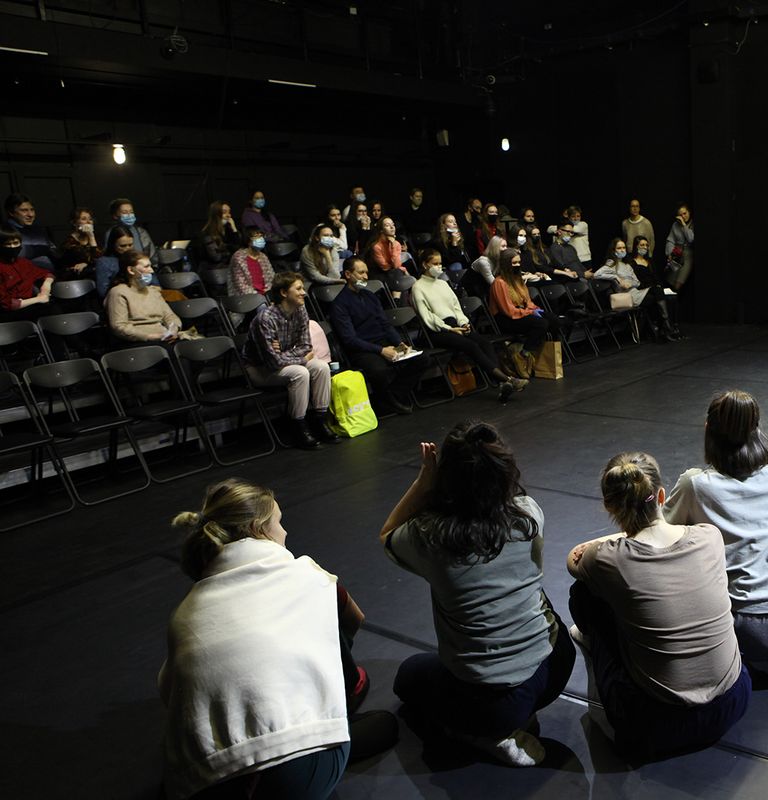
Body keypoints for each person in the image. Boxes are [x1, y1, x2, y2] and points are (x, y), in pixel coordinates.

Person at [383, 424, 575, 766]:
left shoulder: (429, 539)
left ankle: (485, 735)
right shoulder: (528, 513)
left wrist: (424, 482)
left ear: (447, 479)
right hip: (557, 665)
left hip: (494, 704)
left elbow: (387, 534)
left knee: (408, 678)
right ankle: (517, 713)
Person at [160, 480, 353, 799]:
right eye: (279, 522)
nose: (285, 532)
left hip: (201, 778)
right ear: (258, 529)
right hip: (293, 767)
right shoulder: (305, 574)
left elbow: (170, 691)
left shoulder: (184, 611)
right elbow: (354, 620)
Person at [567, 451, 751, 760]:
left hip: (657, 725)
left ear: (610, 506)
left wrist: (621, 534)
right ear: (662, 496)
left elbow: (573, 561)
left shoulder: (608, 558)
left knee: (584, 593)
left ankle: (592, 643)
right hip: (734, 700)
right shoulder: (709, 536)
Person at [664, 391, 768, 704]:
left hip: (747, 627)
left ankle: (746, 661)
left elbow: (660, 534)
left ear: (708, 430)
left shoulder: (695, 484)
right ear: (757, 431)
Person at [412, 248, 528, 399]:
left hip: (456, 325)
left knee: (485, 343)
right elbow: (427, 316)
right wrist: (449, 328)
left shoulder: (443, 284)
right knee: (471, 346)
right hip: (437, 330)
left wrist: (463, 322)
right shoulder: (418, 287)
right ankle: (506, 380)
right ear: (425, 264)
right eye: (435, 263)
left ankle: (503, 383)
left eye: (440, 263)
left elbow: (456, 307)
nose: (439, 267)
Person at [244, 271, 340, 449]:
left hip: (285, 360)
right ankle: (298, 426)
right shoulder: (265, 319)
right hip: (260, 369)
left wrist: (288, 354)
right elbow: (273, 362)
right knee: (300, 372)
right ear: (283, 293)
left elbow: (306, 345)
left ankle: (320, 420)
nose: (304, 292)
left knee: (321, 367)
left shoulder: (300, 309)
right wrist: (301, 359)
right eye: (299, 289)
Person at [329, 258, 429, 416]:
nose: (365, 277)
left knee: (422, 359)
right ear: (348, 274)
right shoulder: (339, 304)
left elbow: (385, 325)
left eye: (366, 272)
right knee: (379, 370)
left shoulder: (370, 296)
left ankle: (389, 399)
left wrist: (400, 343)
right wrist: (381, 350)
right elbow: (350, 340)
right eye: (361, 273)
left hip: (384, 343)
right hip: (362, 349)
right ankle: (391, 400)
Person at [593, 239, 679, 342]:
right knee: (658, 295)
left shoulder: (627, 265)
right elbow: (596, 274)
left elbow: (637, 282)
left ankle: (665, 327)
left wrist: (630, 283)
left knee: (658, 293)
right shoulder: (611, 264)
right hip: (626, 297)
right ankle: (667, 327)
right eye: (619, 248)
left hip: (636, 292)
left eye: (624, 248)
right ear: (613, 250)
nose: (622, 250)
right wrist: (616, 277)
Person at [488, 248, 554, 365]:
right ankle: (524, 354)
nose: (517, 265)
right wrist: (529, 312)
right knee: (541, 324)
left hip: (522, 312)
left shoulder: (517, 278)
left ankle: (549, 358)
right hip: (507, 318)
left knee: (553, 320)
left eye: (519, 262)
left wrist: (534, 309)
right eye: (514, 263)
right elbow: (508, 310)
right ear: (506, 264)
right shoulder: (499, 282)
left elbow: (527, 300)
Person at [105, 251, 182, 343]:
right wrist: (150, 337)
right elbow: (119, 326)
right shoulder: (118, 292)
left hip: (164, 337)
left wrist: (173, 330)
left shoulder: (153, 291)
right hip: (140, 342)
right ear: (130, 270)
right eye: (146, 266)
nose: (151, 270)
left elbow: (170, 316)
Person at [0, 226, 56, 321]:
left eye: (15, 243)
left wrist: (45, 288)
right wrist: (38, 299)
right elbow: (6, 304)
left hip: (31, 307)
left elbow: (47, 274)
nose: (12, 247)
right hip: (9, 314)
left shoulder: (24, 263)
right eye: (7, 244)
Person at [4, 193, 58, 269]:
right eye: (24, 210)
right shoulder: (5, 231)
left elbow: (54, 251)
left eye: (32, 210)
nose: (30, 215)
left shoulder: (38, 229)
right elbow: (17, 254)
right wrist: (44, 249)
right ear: (11, 212)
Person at [104, 198, 159, 266]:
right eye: (124, 212)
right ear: (115, 216)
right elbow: (109, 256)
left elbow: (152, 256)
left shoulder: (141, 232)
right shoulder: (111, 233)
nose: (129, 215)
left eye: (131, 212)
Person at [57, 207, 102, 279]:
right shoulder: (69, 243)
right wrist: (91, 236)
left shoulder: (96, 238)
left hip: (93, 272)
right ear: (74, 223)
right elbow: (86, 258)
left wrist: (91, 237)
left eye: (90, 219)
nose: (89, 222)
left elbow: (100, 260)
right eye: (84, 219)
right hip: (76, 275)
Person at [95, 226, 139, 298]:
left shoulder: (137, 258)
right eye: (123, 246)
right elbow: (103, 292)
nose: (127, 249)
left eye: (130, 245)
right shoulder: (104, 262)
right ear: (113, 244)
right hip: (117, 298)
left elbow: (154, 283)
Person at [229, 228, 275, 297]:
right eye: (257, 236)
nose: (260, 239)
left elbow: (271, 277)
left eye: (261, 236)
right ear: (248, 241)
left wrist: (268, 292)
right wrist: (258, 295)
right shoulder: (238, 257)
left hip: (266, 294)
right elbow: (240, 284)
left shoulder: (263, 256)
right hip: (247, 296)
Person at [199, 201, 239, 269]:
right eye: (224, 212)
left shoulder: (228, 229)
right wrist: (230, 251)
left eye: (229, 212)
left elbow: (238, 248)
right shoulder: (207, 232)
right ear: (216, 214)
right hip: (213, 269)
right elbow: (216, 257)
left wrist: (234, 229)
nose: (228, 215)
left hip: (227, 267)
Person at [365, 217, 408, 281]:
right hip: (378, 274)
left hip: (393, 272)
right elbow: (385, 267)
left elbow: (396, 265)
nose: (392, 227)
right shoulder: (376, 246)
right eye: (387, 225)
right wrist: (401, 268)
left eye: (393, 224)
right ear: (381, 230)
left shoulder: (396, 244)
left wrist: (393, 245)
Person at [431, 214, 469, 283]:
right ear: (444, 225)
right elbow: (450, 260)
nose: (454, 223)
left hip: (461, 268)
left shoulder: (458, 238)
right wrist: (454, 244)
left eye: (455, 221)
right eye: (451, 222)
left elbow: (463, 258)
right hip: (447, 269)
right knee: (457, 265)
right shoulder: (438, 242)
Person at [664, 203, 694, 291]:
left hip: (688, 256)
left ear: (689, 212)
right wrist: (670, 253)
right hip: (677, 254)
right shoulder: (675, 225)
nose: (683, 216)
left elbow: (691, 239)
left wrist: (684, 225)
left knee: (679, 282)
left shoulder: (693, 224)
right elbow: (670, 240)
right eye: (680, 215)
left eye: (685, 213)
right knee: (670, 281)